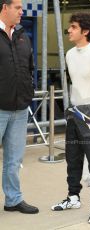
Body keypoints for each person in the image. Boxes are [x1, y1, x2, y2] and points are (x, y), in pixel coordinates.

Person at [51, 12, 90, 224]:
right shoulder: (70, 54)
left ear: (85, 31)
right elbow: (76, 83)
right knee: (73, 157)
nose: (69, 30)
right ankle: (73, 197)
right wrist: (77, 107)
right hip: (74, 112)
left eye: (74, 27)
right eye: (70, 26)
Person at [0, 0, 39, 214]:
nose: (21, 12)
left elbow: (30, 67)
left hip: (20, 108)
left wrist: (28, 91)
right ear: (4, 8)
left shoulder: (23, 36)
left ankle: (13, 199)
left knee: (14, 160)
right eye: (17, 8)